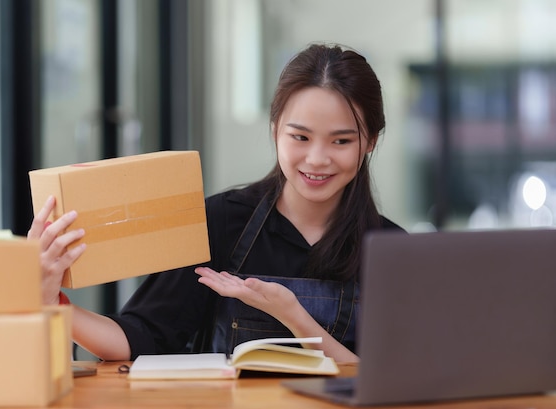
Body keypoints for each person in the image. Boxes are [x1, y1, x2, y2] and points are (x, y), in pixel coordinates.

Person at [28, 42, 404, 364]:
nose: (317, 159)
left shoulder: (392, 248)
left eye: (341, 141)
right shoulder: (220, 222)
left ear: (369, 141)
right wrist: (50, 299)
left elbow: (396, 380)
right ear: (275, 131)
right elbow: (144, 338)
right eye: (301, 137)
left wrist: (292, 315)